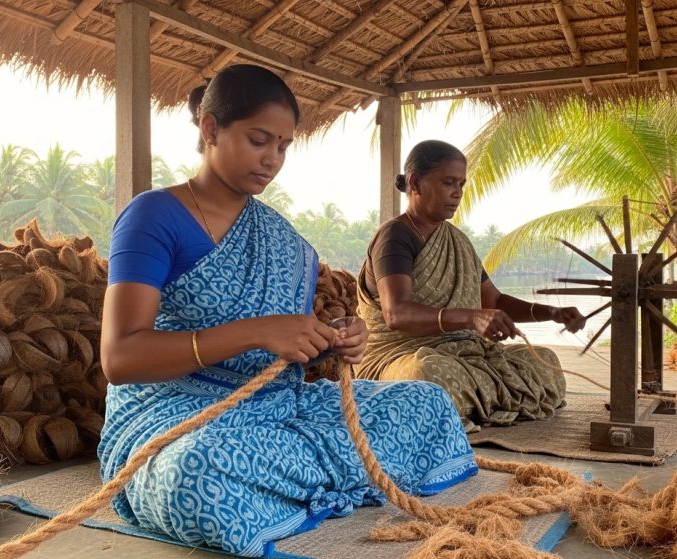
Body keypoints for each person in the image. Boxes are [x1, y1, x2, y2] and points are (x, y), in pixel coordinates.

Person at [97, 66, 476, 557]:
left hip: (279, 410)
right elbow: (121, 358)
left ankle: (296, 484)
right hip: (181, 415)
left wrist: (335, 335)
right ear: (210, 129)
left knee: (425, 403)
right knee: (197, 472)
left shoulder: (283, 240)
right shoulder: (154, 216)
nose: (272, 159)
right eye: (259, 140)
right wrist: (254, 333)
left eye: (283, 146)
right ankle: (331, 477)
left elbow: (288, 350)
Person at [355, 140, 588, 428]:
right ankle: (472, 404)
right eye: (448, 182)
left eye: (462, 184)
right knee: (427, 373)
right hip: (400, 355)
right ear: (415, 182)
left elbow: (494, 302)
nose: (458, 193)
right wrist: (470, 317)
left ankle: (470, 406)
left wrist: (550, 313)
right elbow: (396, 313)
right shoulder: (395, 237)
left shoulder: (458, 241)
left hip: (465, 354)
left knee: (543, 360)